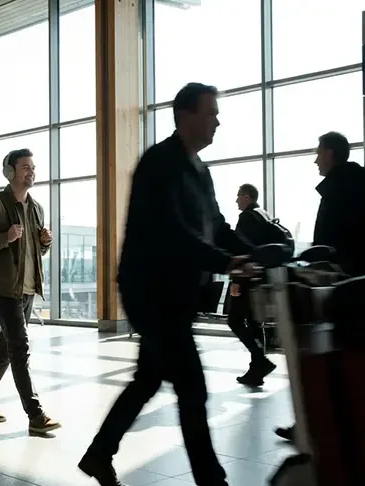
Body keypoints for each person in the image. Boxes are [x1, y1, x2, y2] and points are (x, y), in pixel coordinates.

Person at [78, 83, 253, 486]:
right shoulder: (160, 163)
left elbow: (218, 227)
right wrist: (228, 262)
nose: (217, 120)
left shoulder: (199, 169)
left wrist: (254, 252)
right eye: (211, 112)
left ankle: (98, 455)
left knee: (146, 381)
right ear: (186, 115)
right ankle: (212, 480)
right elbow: (173, 234)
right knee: (193, 389)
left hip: (174, 293)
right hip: (152, 293)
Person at [275, 131, 365, 442]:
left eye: (318, 152)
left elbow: (332, 242)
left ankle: (316, 424)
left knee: (327, 357)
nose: (315, 159)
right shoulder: (352, 185)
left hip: (345, 289)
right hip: (349, 286)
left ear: (331, 154)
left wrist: (319, 264)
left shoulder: (341, 191)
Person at [0, 148, 60, 434]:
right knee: (20, 347)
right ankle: (35, 414)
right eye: (25, 167)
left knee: (7, 347)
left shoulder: (37, 208)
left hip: (27, 288)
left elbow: (35, 252)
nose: (31, 172)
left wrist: (45, 242)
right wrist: (3, 238)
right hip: (1, 288)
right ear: (9, 172)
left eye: (33, 167)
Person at [228, 183, 276, 386]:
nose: (236, 200)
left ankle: (261, 361)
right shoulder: (263, 214)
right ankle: (256, 370)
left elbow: (243, 250)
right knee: (255, 324)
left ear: (247, 197)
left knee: (235, 320)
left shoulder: (247, 217)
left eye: (238, 196)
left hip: (247, 279)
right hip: (261, 278)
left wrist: (236, 280)